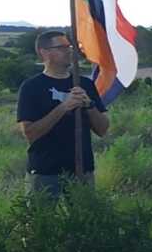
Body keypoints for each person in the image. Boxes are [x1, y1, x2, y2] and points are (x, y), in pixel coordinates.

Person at [16, 30, 110, 196]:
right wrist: (63, 107)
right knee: (43, 221)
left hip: (82, 170)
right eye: (61, 47)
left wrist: (89, 105)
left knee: (84, 220)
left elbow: (102, 130)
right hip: (45, 172)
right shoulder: (31, 87)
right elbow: (30, 133)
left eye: (70, 46)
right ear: (44, 53)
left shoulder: (85, 84)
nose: (69, 51)